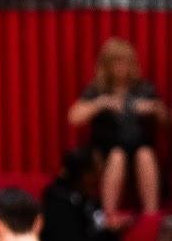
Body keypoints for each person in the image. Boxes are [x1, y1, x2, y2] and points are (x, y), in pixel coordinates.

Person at [67, 38, 166, 218]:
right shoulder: (97, 89)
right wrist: (100, 104)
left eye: (126, 62)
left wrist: (151, 107)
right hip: (106, 150)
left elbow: (165, 117)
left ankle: (152, 215)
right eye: (117, 62)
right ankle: (108, 214)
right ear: (107, 65)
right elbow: (74, 117)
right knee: (117, 156)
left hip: (139, 146)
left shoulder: (143, 88)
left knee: (145, 155)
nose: (122, 67)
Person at [39, 148, 127, 241]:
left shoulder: (88, 199)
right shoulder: (58, 201)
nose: (101, 172)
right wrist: (106, 233)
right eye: (97, 168)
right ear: (84, 173)